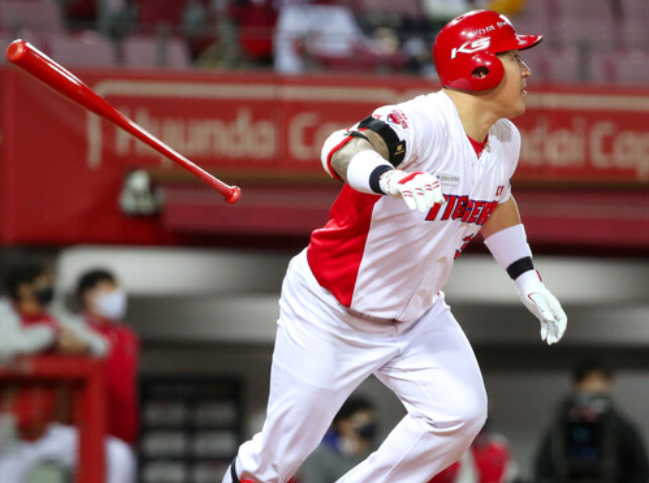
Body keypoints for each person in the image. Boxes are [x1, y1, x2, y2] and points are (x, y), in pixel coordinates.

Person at [223, 9, 567, 483]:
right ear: (480, 65)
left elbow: (497, 200)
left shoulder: (505, 139)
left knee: (460, 413)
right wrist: (390, 179)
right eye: (513, 57)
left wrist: (528, 280)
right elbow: (340, 148)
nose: (526, 70)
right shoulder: (422, 121)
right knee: (275, 462)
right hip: (332, 309)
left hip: (417, 315)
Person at [0, 262, 136, 483]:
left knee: (118, 456)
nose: (50, 288)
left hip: (51, 429)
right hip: (10, 433)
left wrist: (83, 347)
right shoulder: (5, 315)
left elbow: (100, 346)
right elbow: (9, 346)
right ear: (24, 289)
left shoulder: (56, 317)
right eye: (44, 283)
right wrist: (49, 335)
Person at [534, 360, 649, 483]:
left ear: (609, 383)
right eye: (589, 381)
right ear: (577, 385)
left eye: (600, 380)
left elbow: (640, 470)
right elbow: (543, 469)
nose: (595, 386)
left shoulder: (623, 429)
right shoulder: (560, 429)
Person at [75, 268, 140, 447]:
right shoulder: (75, 332)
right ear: (89, 295)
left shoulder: (127, 336)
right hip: (86, 428)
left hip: (123, 430)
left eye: (116, 290)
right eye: (108, 290)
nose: (116, 296)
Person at [296, 396, 378, 483]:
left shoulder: (375, 452)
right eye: (362, 423)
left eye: (372, 420)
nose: (369, 427)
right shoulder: (320, 455)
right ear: (344, 424)